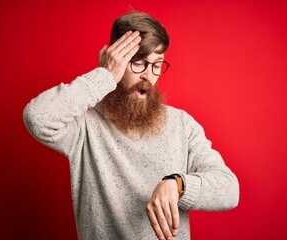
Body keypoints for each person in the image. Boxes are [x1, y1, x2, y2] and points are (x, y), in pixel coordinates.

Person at [23, 11, 239, 240]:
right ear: (116, 61)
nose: (149, 75)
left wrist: (178, 185)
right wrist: (104, 76)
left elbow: (229, 189)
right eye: (138, 63)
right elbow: (37, 117)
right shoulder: (84, 125)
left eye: (157, 64)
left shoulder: (182, 125)